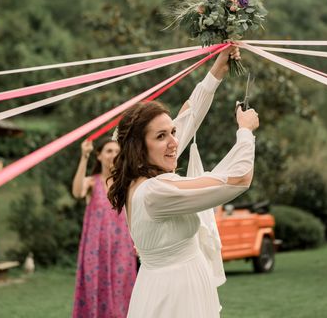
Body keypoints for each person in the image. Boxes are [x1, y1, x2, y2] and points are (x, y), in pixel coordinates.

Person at [107, 46, 259, 317]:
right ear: (139, 147)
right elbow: (238, 179)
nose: (174, 142)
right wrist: (245, 132)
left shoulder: (140, 178)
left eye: (172, 132)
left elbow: (188, 115)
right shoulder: (155, 192)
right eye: (161, 136)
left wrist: (217, 71)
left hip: (170, 283)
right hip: (176, 294)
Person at [71, 137, 137, 318]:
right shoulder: (92, 182)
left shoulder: (125, 184)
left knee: (121, 293)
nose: (114, 155)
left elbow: (133, 216)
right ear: (99, 156)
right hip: (96, 250)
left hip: (121, 249)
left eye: (117, 152)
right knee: (95, 290)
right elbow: (77, 192)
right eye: (109, 151)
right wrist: (84, 156)